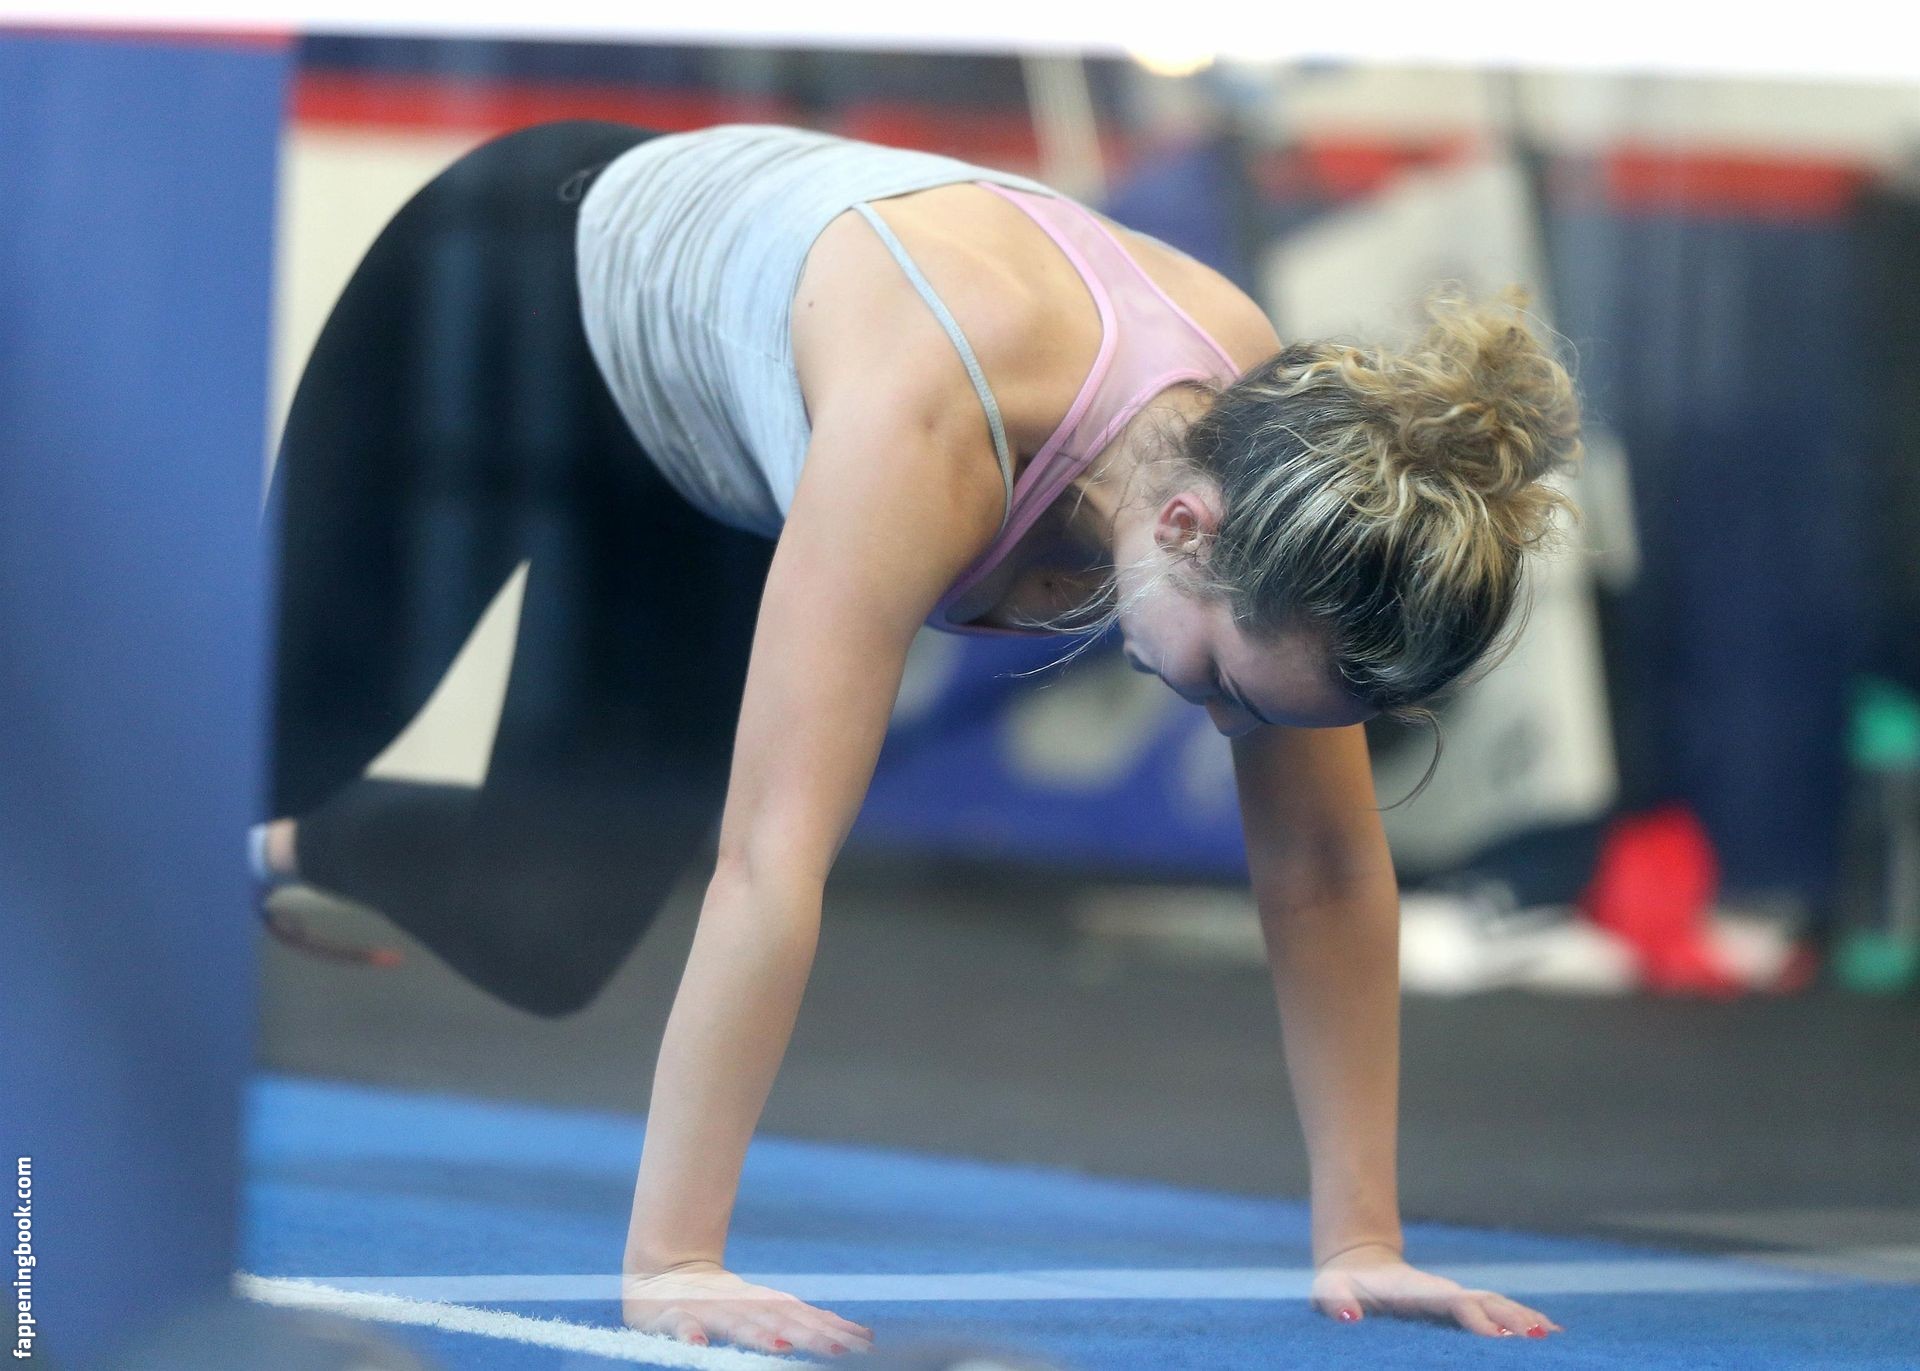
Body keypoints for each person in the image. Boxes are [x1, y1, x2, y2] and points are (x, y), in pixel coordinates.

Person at [255, 118, 1583, 1356]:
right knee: (250, 745)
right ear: (1185, 529)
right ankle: (242, 828)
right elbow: (773, 859)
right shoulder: (934, 423)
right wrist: (675, 1263)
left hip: (709, 450)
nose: (1234, 729)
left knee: (540, 926)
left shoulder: (1276, 486)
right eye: (1230, 688)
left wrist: (1361, 1238)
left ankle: (283, 849)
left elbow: (1325, 869)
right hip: (523, 274)